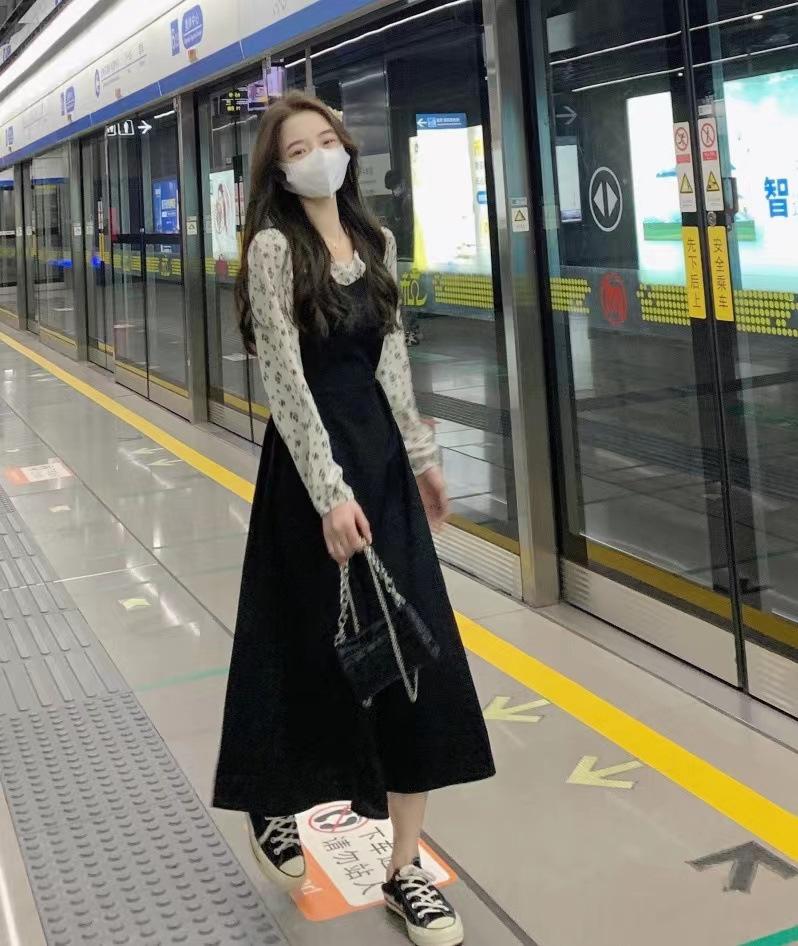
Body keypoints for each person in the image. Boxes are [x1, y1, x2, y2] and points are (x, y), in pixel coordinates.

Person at [213, 91, 494, 946]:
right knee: (303, 646)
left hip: (381, 460)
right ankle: (272, 798)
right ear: (278, 170)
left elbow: (393, 356)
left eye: (325, 140)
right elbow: (285, 380)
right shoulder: (273, 249)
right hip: (310, 471)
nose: (316, 156)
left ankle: (405, 869)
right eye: (297, 148)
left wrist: (421, 458)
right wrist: (330, 493)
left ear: (346, 149)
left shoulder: (377, 243)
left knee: (412, 660)